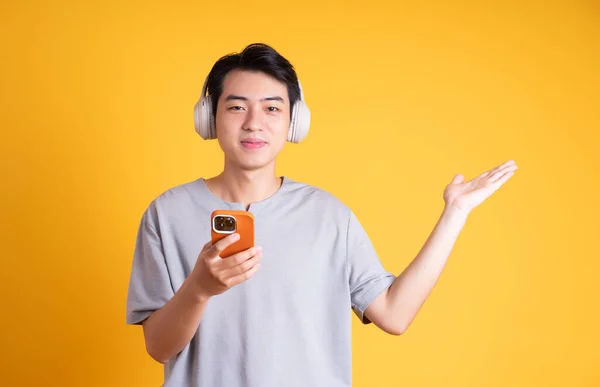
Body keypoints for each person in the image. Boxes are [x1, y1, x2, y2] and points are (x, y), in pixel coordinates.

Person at [125, 42, 518, 387]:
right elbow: (159, 348)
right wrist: (199, 288)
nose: (254, 123)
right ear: (209, 118)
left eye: (272, 108)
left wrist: (455, 213)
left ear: (294, 121)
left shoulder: (330, 216)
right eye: (237, 106)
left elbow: (395, 315)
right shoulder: (167, 213)